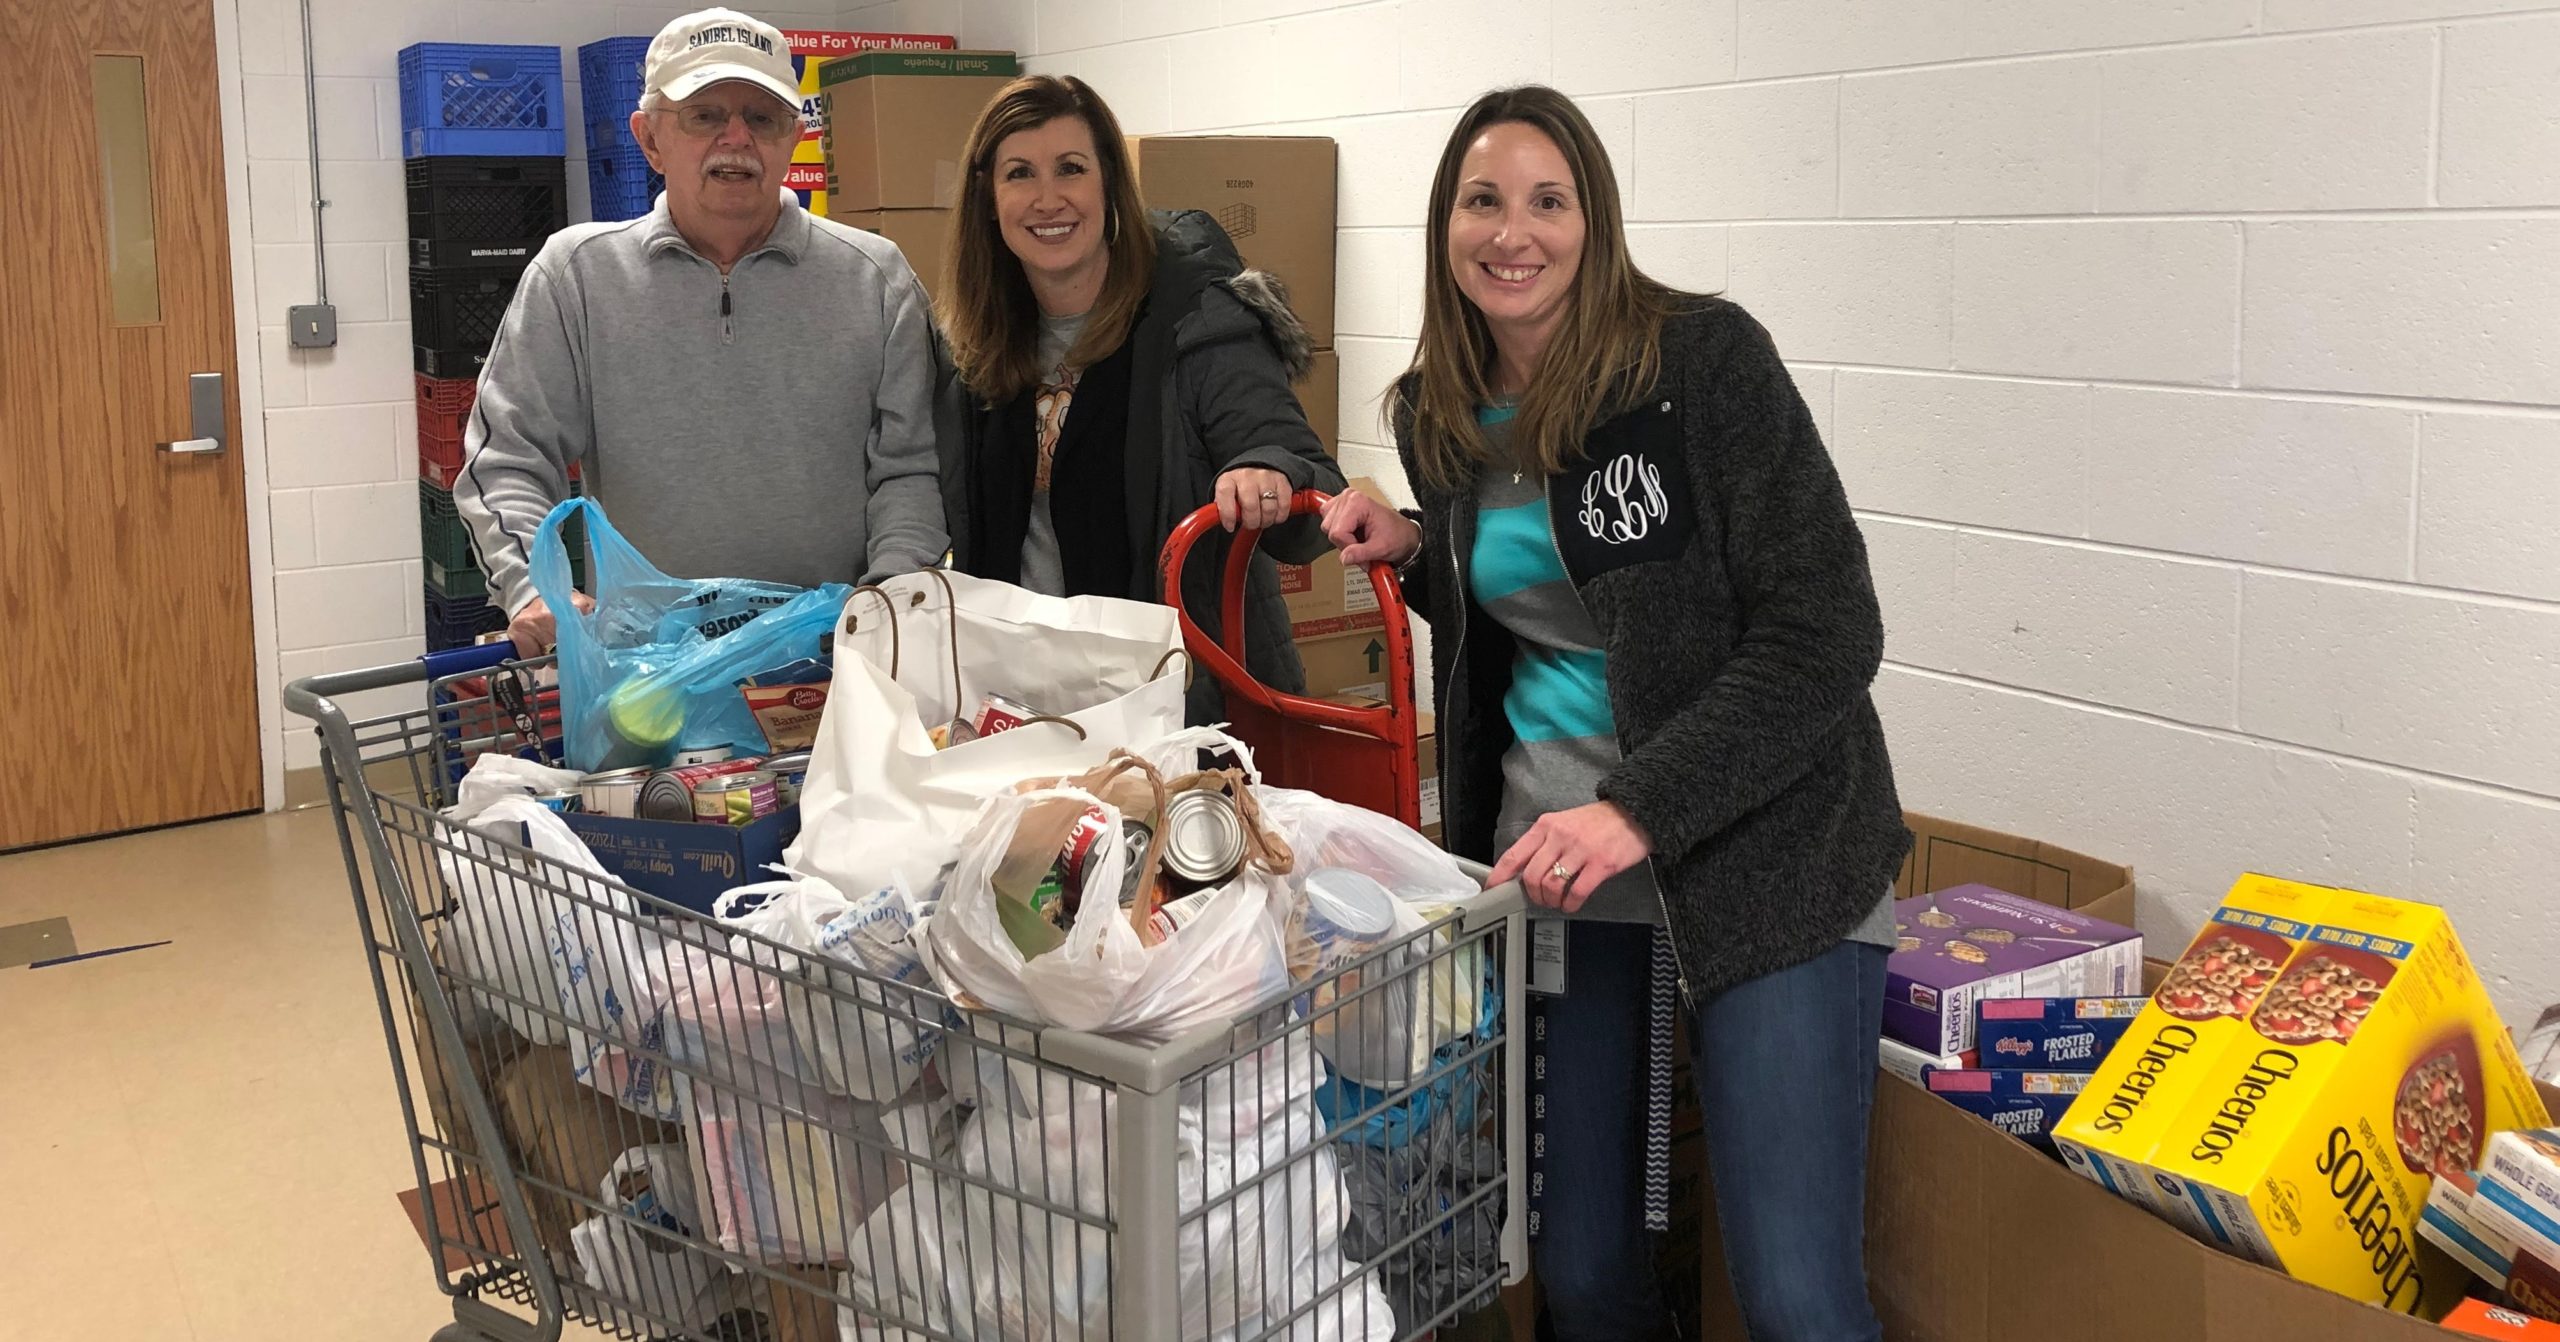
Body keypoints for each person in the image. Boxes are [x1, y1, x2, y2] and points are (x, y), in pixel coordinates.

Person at [1321, 86, 1910, 1342]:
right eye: (1482, 201)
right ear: (1443, 226)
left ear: (1595, 219)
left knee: (1795, 1297)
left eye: (1548, 201)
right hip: (1562, 870)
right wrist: (1420, 550)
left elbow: (1828, 632)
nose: (1512, 233)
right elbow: (1548, 602)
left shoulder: (1702, 364)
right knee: (1582, 1275)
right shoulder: (1438, 410)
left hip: (1765, 853)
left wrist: (1637, 808)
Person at [455, 7, 947, 657]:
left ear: (793, 138)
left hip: (831, 662)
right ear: (650, 139)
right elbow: (509, 457)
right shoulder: (577, 277)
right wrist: (534, 587)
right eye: (705, 115)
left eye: (762, 118)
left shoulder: (877, 279)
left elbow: (912, 469)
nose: (736, 138)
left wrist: (885, 602)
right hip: (647, 671)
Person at [931, 74, 1344, 723]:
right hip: (1018, 708)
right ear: (987, 196)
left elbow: (1313, 493)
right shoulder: (972, 349)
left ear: (1109, 185)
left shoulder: (1197, 319)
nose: (1047, 198)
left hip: (1181, 710)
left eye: (1071, 168)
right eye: (1019, 174)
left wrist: (1267, 471)